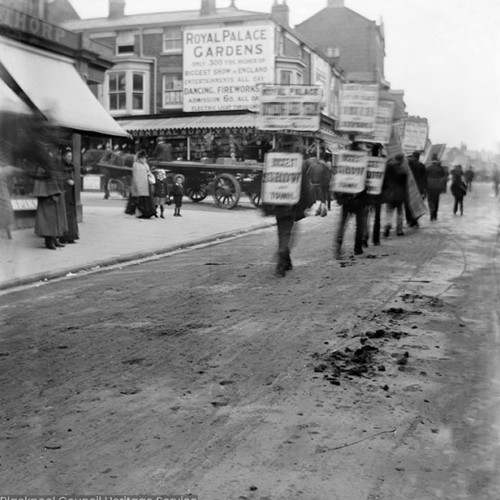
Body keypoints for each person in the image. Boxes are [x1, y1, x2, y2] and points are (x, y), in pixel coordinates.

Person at [261, 147, 315, 276]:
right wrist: (309, 202)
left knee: (281, 231)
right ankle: (282, 255)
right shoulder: (298, 162)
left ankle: (287, 261)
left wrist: (266, 204)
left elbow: (266, 181)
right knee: (287, 233)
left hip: (277, 203)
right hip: (291, 204)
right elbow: (305, 186)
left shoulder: (273, 161)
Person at [32, 142, 68, 249]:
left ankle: (54, 239)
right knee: (48, 220)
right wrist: (54, 192)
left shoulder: (48, 165)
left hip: (53, 194)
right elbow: (47, 180)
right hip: (48, 196)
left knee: (55, 218)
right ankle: (49, 242)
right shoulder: (42, 168)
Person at [59, 148, 79, 244]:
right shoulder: (61, 167)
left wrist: (73, 182)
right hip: (64, 192)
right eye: (68, 156)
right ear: (63, 157)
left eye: (71, 156)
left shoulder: (71, 166)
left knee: (71, 212)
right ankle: (64, 236)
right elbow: (59, 179)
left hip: (70, 192)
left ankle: (72, 235)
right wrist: (67, 181)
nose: (70, 158)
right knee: (65, 212)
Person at [131, 150, 156, 219]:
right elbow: (136, 176)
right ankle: (139, 214)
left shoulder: (146, 165)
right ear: (139, 158)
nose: (144, 159)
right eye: (142, 158)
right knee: (140, 200)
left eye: (145, 158)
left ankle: (147, 213)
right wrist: (137, 185)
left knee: (147, 200)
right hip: (139, 184)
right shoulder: (135, 164)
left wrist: (149, 174)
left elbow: (149, 172)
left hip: (146, 184)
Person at [305, 152, 330, 216]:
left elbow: (308, 173)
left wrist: (308, 180)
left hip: (316, 183)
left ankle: (322, 210)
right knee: (323, 196)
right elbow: (329, 173)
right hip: (325, 182)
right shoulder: (325, 164)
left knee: (321, 197)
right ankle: (321, 210)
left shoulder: (314, 164)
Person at [426, 154, 447, 221]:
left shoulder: (428, 168)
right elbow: (444, 178)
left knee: (430, 200)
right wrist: (444, 188)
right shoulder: (440, 168)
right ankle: (435, 214)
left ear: (432, 160)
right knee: (436, 200)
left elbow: (424, 178)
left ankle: (431, 212)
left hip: (429, 187)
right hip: (437, 187)